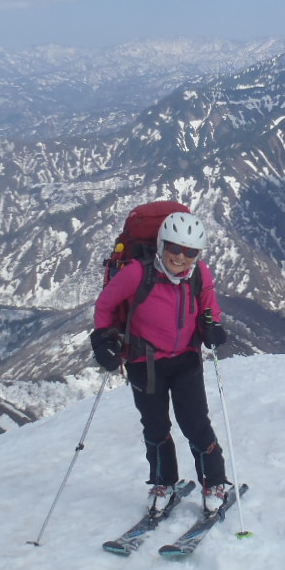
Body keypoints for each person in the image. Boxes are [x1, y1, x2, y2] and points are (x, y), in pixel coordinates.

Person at [89, 210, 231, 515]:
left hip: (186, 360)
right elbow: (106, 304)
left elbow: (209, 308)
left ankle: (215, 481)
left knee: (195, 423)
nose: (181, 258)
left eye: (190, 252)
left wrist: (212, 326)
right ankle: (163, 482)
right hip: (145, 361)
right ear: (161, 244)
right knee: (154, 425)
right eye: (174, 248)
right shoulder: (137, 274)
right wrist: (102, 338)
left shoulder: (201, 275)